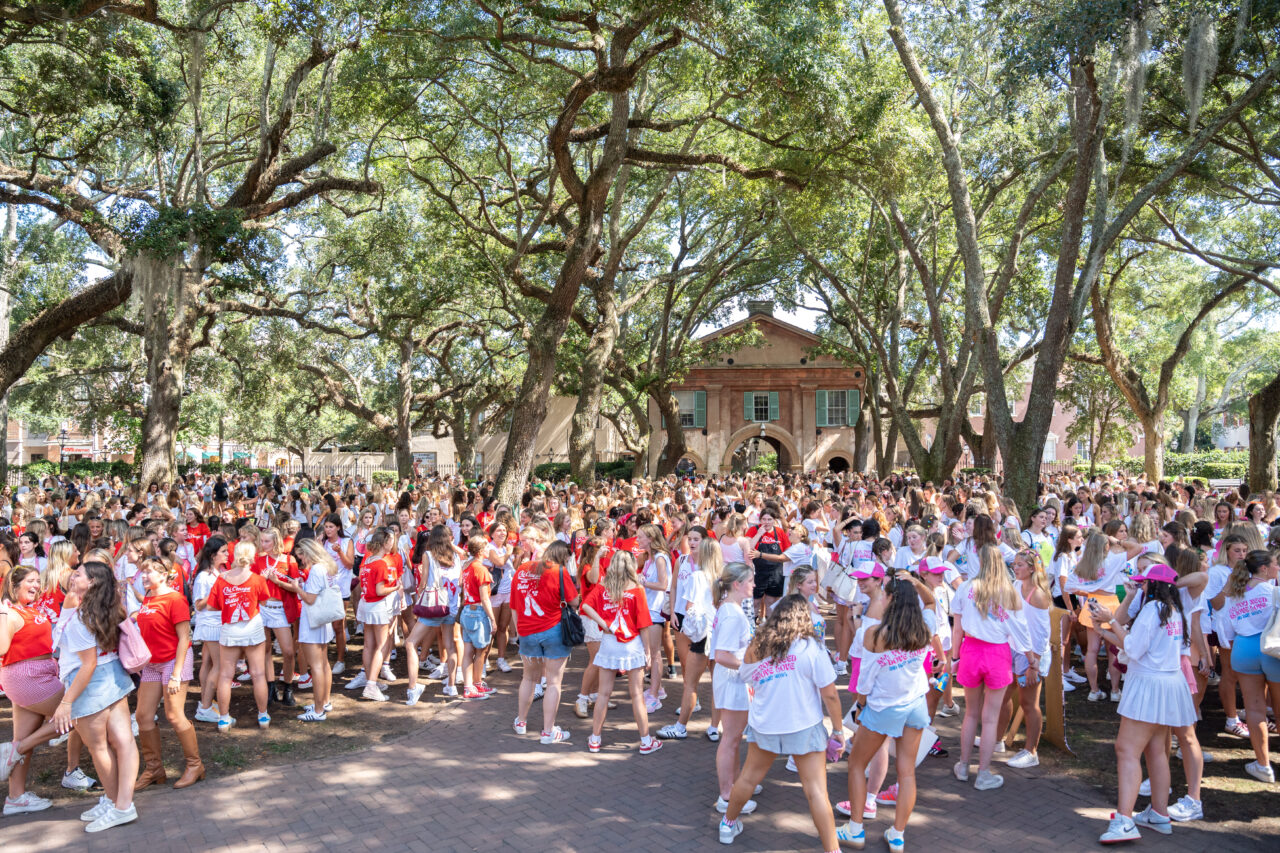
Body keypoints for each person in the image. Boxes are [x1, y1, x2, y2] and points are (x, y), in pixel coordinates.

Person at [719, 595, 844, 851]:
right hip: (804, 725)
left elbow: (746, 676)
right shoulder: (811, 647)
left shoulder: (758, 646)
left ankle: (727, 824)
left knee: (747, 779)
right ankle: (833, 850)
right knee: (816, 792)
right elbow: (830, 694)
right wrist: (839, 730)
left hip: (766, 723)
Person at [1090, 563, 1198, 843]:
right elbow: (1138, 645)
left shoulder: (1153, 610)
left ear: (1153, 585)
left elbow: (1135, 648)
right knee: (1155, 750)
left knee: (1126, 749)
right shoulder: (1172, 610)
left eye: (1143, 584)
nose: (1140, 588)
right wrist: (1103, 630)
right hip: (1167, 683)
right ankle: (1159, 814)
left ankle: (1124, 821)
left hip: (1150, 686)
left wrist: (1111, 621)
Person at [836, 579, 933, 851]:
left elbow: (866, 680)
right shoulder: (923, 630)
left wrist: (861, 705)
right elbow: (932, 602)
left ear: (889, 599)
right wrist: (916, 583)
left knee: (856, 763)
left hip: (883, 707)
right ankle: (898, 834)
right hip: (914, 704)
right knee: (907, 773)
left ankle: (855, 829)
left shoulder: (876, 634)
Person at [53, 561, 140, 832]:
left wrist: (66, 702)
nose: (72, 575)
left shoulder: (81, 619)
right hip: (113, 675)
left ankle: (119, 805)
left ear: (91, 583)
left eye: (78, 574)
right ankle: (118, 802)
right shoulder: (106, 607)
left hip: (90, 683)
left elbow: (87, 664)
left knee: (100, 747)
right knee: (123, 742)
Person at [952, 545, 1036, 791]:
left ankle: (964, 765)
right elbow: (1021, 633)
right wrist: (1031, 659)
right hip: (997, 654)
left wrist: (954, 656)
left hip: (970, 651)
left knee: (970, 713)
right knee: (989, 720)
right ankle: (984, 773)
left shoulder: (966, 587)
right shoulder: (1009, 592)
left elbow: (957, 627)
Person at [579, 551, 661, 754]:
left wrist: (603, 624)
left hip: (609, 643)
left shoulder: (604, 587)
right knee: (637, 695)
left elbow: (585, 606)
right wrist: (649, 652)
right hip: (632, 644)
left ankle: (595, 739)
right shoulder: (637, 589)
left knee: (604, 694)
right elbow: (643, 624)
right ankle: (645, 740)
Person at [133, 555, 203, 789]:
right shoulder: (148, 599)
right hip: (152, 664)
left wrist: (176, 674)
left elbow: (185, 638)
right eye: (143, 572)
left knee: (174, 715)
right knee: (143, 716)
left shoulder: (175, 599)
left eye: (149, 572)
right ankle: (154, 769)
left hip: (174, 661)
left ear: (164, 575)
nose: (144, 575)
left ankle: (195, 765)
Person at [1212, 549, 1279, 784]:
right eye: (1275, 564)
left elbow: (1227, 633)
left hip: (1243, 650)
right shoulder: (1273, 592)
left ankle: (1263, 764)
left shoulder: (1234, 595)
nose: (1278, 568)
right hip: (1272, 650)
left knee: (1254, 709)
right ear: (1263, 568)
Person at [511, 527, 578, 743]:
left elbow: (514, 605)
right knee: (553, 682)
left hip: (527, 630)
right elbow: (574, 601)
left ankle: (521, 721)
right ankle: (548, 731)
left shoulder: (521, 570)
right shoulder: (558, 571)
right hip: (553, 630)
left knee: (528, 678)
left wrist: (519, 630)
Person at [658, 534, 720, 741]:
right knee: (718, 684)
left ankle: (681, 726)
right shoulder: (724, 576)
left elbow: (690, 609)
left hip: (701, 636)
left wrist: (690, 632)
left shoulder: (697, 577)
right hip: (719, 632)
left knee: (691, 683)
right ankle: (714, 727)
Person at [209, 541, 273, 730]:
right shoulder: (257, 579)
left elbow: (212, 606)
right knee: (258, 674)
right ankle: (263, 716)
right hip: (253, 628)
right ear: (252, 556)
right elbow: (266, 601)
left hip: (230, 629)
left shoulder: (222, 578)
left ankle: (223, 718)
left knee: (226, 675)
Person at [710, 561, 757, 813]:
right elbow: (721, 655)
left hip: (733, 678)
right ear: (737, 584)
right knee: (730, 738)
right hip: (732, 679)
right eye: (750, 581)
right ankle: (727, 795)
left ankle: (735, 785)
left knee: (734, 738)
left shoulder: (730, 608)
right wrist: (752, 667)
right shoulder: (732, 613)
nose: (754, 585)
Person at [1001, 548, 1052, 769]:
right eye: (1015, 564)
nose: (1015, 567)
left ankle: (1031, 751)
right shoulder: (1015, 586)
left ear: (1032, 568)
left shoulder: (1038, 595)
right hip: (1014, 650)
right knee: (1003, 696)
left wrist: (1034, 664)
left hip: (1031, 656)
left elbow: (1042, 634)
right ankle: (996, 739)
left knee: (1029, 703)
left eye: (1020, 564)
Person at [344, 528, 399, 702]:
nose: (392, 543)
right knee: (381, 645)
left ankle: (370, 680)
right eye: (390, 540)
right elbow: (380, 590)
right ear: (385, 542)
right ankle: (371, 685)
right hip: (377, 605)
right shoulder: (381, 563)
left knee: (369, 645)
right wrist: (396, 587)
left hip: (366, 604)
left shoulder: (368, 561)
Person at [289, 539, 341, 721]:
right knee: (323, 663)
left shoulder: (317, 570)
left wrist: (297, 588)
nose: (300, 559)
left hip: (313, 620)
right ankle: (324, 701)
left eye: (301, 555)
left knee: (317, 666)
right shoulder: (326, 567)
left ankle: (318, 710)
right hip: (322, 620)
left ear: (308, 552)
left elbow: (310, 599)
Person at [254, 528, 301, 707]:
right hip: (263, 607)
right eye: (262, 541)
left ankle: (288, 688)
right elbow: (252, 585)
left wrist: (277, 582)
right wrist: (261, 579)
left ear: (276, 542)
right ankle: (270, 686)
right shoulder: (259, 560)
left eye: (267, 541)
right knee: (265, 649)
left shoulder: (289, 560)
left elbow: (295, 587)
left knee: (288, 651)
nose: (263, 544)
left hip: (280, 608)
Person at [191, 536, 228, 724]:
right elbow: (198, 604)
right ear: (213, 555)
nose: (227, 555)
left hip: (217, 622)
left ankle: (206, 701)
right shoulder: (204, 577)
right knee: (219, 665)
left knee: (209, 662)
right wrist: (217, 590)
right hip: (210, 624)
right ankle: (205, 708)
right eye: (224, 552)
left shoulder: (218, 572)